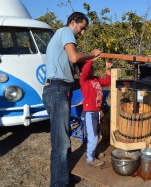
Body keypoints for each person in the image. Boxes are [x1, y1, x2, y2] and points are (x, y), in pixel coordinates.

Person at [42, 12, 101, 187]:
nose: (82, 33)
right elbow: (74, 57)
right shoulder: (65, 31)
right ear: (72, 22)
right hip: (57, 89)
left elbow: (75, 67)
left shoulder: (62, 38)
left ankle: (65, 177)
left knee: (64, 137)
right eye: (81, 28)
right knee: (60, 142)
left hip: (61, 89)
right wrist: (92, 53)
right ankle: (59, 183)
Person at [79, 59, 112, 168]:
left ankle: (92, 153)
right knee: (93, 137)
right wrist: (91, 60)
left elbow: (108, 82)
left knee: (96, 135)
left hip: (96, 112)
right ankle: (90, 159)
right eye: (91, 69)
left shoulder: (96, 80)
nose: (92, 70)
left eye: (93, 69)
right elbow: (85, 71)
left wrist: (108, 70)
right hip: (89, 113)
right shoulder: (84, 80)